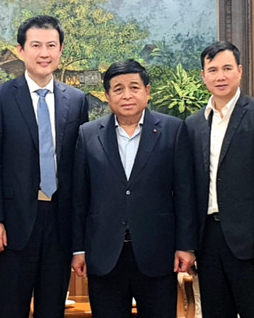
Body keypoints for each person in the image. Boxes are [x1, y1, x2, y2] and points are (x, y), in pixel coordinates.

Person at [0, 15, 89, 317]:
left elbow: (79, 169)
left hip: (59, 222)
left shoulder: (77, 101)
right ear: (21, 50)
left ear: (61, 50)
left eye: (51, 45)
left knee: (52, 309)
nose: (44, 53)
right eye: (36, 45)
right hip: (13, 226)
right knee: (10, 308)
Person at [71, 60, 197, 318]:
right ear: (107, 96)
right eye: (118, 89)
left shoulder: (172, 130)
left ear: (147, 91)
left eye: (134, 87)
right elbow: (79, 198)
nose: (126, 95)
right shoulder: (88, 134)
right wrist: (79, 249)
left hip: (157, 253)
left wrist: (186, 245)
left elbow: (184, 193)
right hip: (104, 254)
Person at [185, 41, 254, 318]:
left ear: (240, 71)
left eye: (227, 68)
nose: (220, 76)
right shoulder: (193, 124)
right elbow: (189, 188)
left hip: (252, 241)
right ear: (203, 75)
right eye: (213, 69)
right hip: (208, 239)